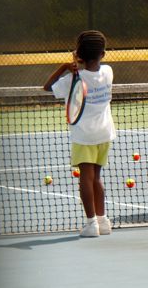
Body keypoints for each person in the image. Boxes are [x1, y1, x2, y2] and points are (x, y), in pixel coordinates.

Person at [43, 30, 116, 237]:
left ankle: (91, 223)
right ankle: (103, 221)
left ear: (79, 54)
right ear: (103, 54)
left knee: (86, 177)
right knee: (97, 177)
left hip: (84, 136)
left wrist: (67, 66)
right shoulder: (108, 72)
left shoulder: (72, 80)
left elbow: (47, 87)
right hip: (104, 134)